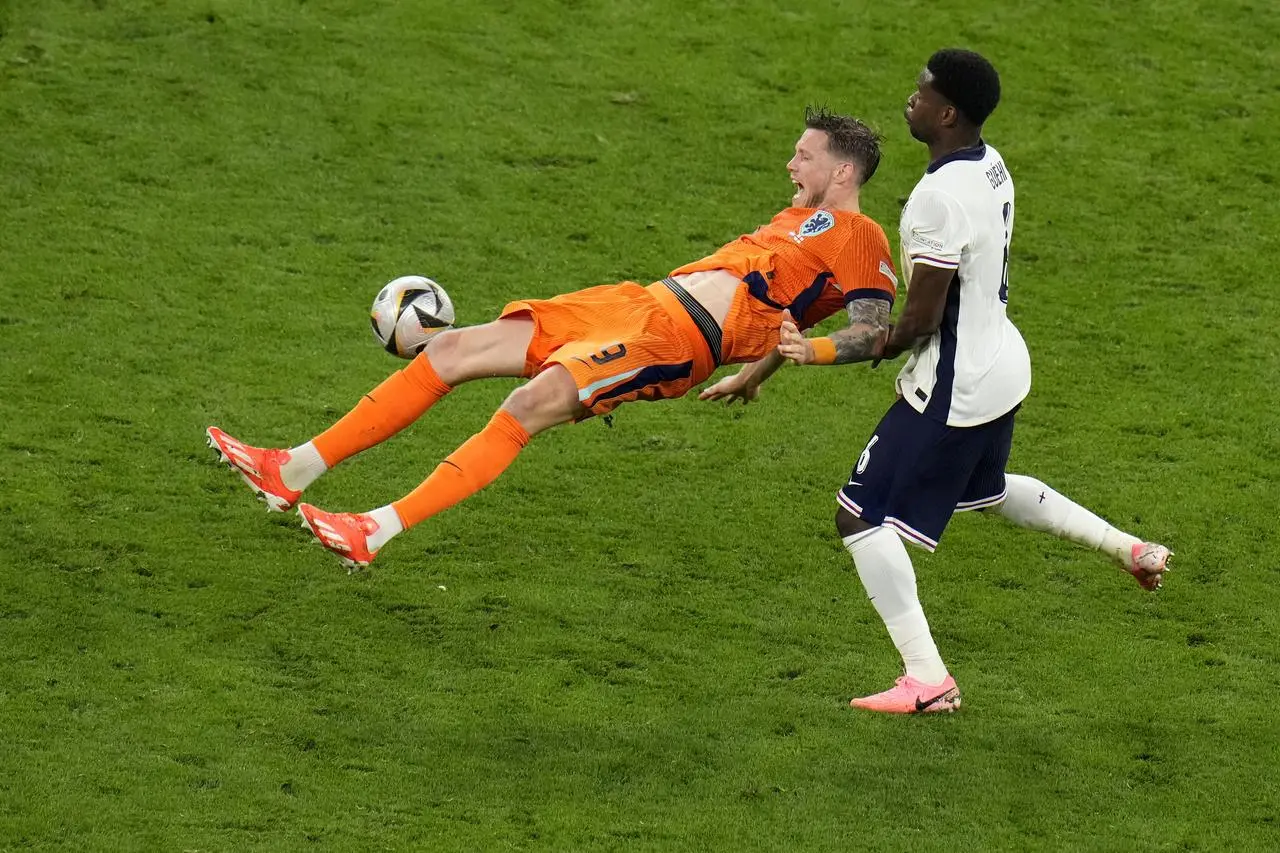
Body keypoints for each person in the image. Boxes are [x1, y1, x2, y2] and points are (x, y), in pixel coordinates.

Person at [206, 107, 901, 570]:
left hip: (673, 343)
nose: (791, 165)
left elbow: (875, 331)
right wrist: (758, 373)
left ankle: (374, 530)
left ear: (844, 170)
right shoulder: (799, 216)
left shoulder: (861, 236)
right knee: (450, 349)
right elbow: (789, 314)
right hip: (636, 301)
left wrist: (810, 353)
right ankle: (290, 470)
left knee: (525, 408)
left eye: (804, 157)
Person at [773, 49, 1172, 713]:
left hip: (953, 385)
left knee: (859, 515)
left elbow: (920, 320)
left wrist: (821, 349)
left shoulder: (937, 198)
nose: (912, 98)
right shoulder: (988, 164)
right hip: (1001, 364)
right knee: (983, 491)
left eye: (923, 92)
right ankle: (1128, 548)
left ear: (948, 112)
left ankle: (927, 679)